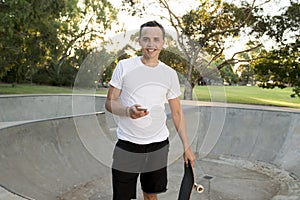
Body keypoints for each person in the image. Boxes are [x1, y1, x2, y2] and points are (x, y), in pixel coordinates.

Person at [105, 20, 195, 200]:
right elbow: (110, 102)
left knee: (151, 195)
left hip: (158, 146)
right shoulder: (124, 66)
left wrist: (187, 146)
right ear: (139, 41)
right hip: (127, 145)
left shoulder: (169, 74)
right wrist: (127, 111)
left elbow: (177, 113)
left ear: (163, 43)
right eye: (146, 39)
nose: (151, 44)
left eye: (156, 39)